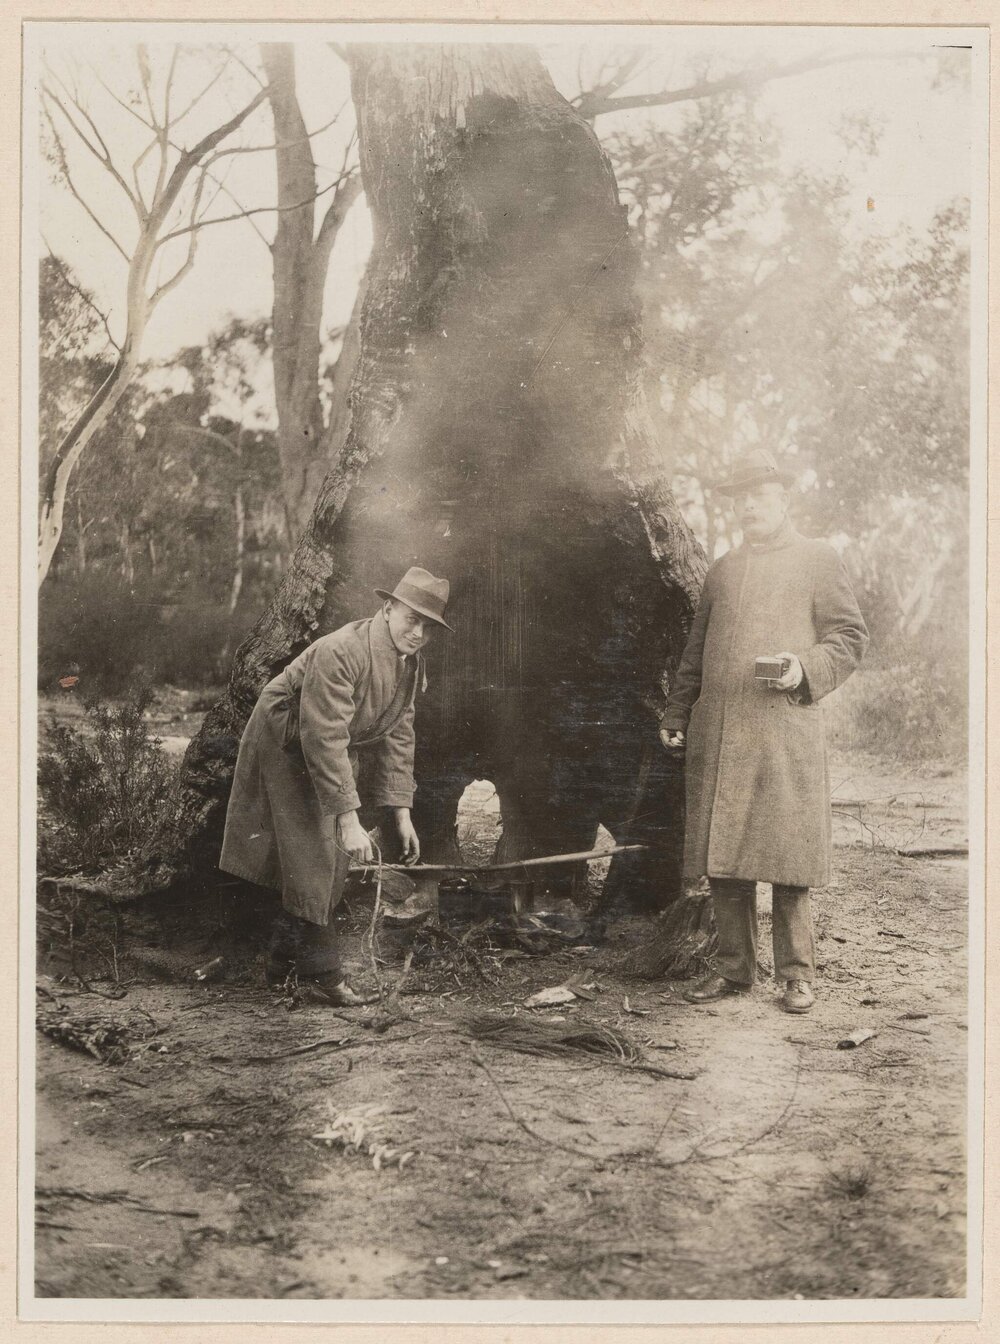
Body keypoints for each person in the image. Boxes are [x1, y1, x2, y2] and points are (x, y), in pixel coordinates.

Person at [660, 450, 868, 1014]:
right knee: (725, 853)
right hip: (722, 732)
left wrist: (805, 667)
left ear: (784, 500)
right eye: (741, 497)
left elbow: (849, 638)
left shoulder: (817, 558)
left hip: (783, 731)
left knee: (787, 855)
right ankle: (734, 971)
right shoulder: (723, 569)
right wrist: (678, 714)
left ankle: (797, 975)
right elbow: (694, 654)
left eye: (760, 495)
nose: (749, 506)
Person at [220, 567, 452, 1007]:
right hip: (288, 738)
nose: (418, 633)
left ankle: (281, 964)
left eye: (428, 626)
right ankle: (323, 974)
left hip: (332, 746)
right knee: (316, 850)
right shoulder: (343, 650)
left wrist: (400, 813)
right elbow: (322, 736)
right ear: (387, 609)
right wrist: (347, 819)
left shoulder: (410, 664)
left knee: (329, 857)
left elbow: (400, 737)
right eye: (411, 619)